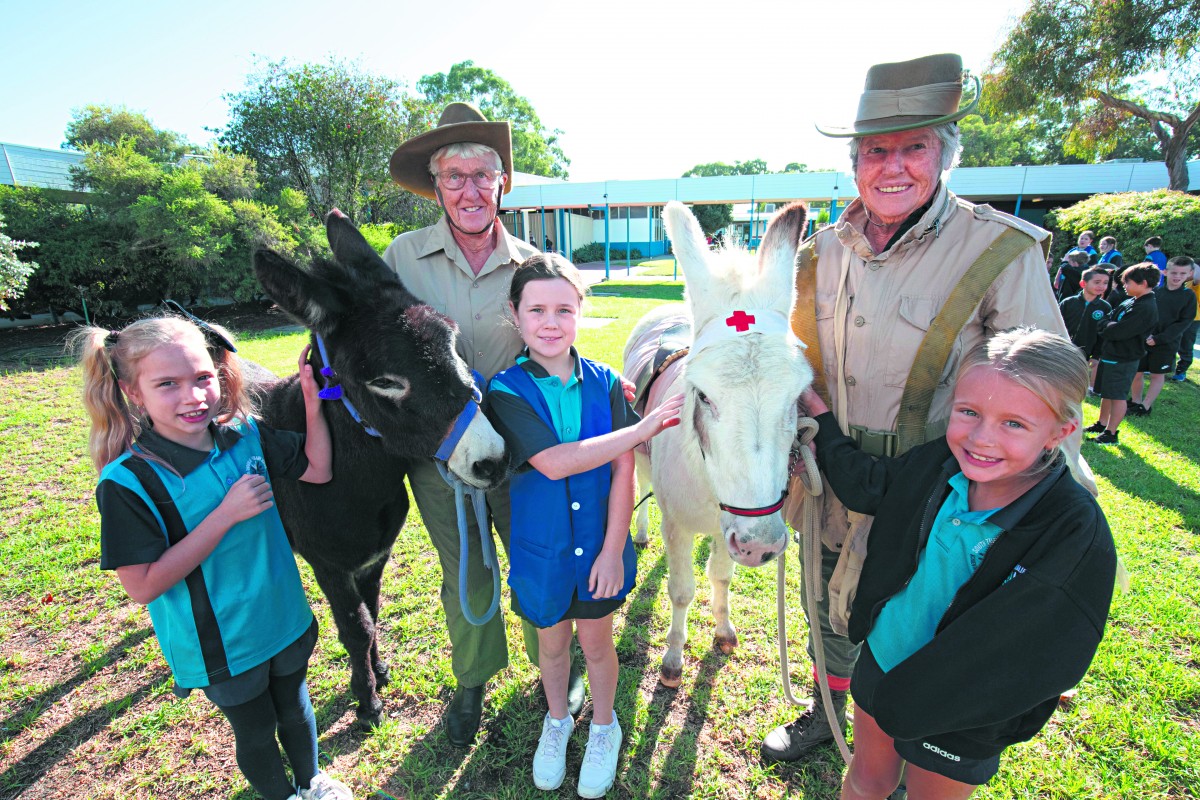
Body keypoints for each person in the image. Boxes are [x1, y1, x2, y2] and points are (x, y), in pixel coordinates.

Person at [761, 53, 1094, 763]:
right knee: (829, 608)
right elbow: (761, 335)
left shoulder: (1000, 249)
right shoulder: (817, 256)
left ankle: (911, 737)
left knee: (925, 619)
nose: (893, 167)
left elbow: (1048, 389)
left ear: (944, 154)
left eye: (914, 147)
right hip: (829, 476)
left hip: (944, 494)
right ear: (854, 164)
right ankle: (828, 707)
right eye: (876, 150)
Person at [798, 327, 1115, 798]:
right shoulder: (939, 462)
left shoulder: (1073, 531)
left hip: (963, 709)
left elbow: (1053, 654)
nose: (981, 439)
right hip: (883, 661)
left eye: (1014, 424)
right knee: (867, 781)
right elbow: (871, 485)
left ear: (1061, 432)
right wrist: (821, 420)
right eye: (968, 412)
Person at [76, 315, 352, 800]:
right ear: (133, 392)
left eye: (203, 378)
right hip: (221, 643)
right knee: (257, 729)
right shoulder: (128, 482)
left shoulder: (244, 433)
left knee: (295, 705)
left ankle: (312, 783)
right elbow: (141, 586)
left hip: (283, 615)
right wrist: (224, 516)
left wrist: (311, 403)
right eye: (168, 384)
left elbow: (318, 469)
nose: (194, 397)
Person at [382, 103, 582, 746]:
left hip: (522, 451)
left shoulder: (531, 263)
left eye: (482, 175)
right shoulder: (401, 258)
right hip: (440, 453)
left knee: (533, 560)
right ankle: (472, 679)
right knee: (465, 569)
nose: (469, 189)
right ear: (436, 187)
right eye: (454, 176)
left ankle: (552, 666)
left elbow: (556, 341)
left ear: (501, 184)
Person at [486, 254, 683, 797]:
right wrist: (641, 428)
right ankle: (556, 721)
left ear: (580, 312)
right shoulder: (503, 391)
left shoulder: (605, 383)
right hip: (542, 552)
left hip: (600, 546)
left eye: (564, 309)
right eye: (537, 310)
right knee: (552, 648)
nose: (551, 323)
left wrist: (611, 549)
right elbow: (553, 462)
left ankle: (603, 726)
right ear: (515, 314)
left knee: (598, 646)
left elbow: (624, 471)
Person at [1084, 263, 1160, 445]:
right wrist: (1107, 325)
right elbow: (1107, 320)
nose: (1124, 286)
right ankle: (1101, 424)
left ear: (1142, 283)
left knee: (1117, 395)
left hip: (1124, 358)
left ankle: (1111, 433)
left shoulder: (1146, 307)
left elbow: (1118, 331)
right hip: (1111, 354)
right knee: (1106, 393)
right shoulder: (1131, 301)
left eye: (1128, 282)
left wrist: (1107, 327)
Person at [1129, 257, 1197, 414]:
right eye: (1174, 272)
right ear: (1165, 272)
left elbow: (1183, 323)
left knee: (1157, 375)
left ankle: (1145, 406)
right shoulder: (1154, 292)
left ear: (1190, 274)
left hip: (1166, 343)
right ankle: (1135, 401)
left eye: (1182, 273)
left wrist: (1160, 338)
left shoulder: (1188, 296)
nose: (1177, 276)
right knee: (1136, 371)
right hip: (1145, 340)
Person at [1060, 267, 1111, 389]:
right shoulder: (1068, 303)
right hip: (1062, 348)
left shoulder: (1105, 308)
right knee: (1059, 379)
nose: (1101, 286)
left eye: (1105, 283)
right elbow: (1056, 324)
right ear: (1083, 283)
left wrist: (1096, 356)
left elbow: (1102, 334)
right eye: (1097, 282)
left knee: (1074, 383)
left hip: (1084, 352)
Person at [1171, 256, 1199, 382]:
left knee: (1186, 345)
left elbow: (1197, 276)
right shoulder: (1184, 283)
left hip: (1193, 319)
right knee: (1170, 341)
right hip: (1176, 316)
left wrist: (1193, 264)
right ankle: (1166, 367)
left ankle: (1181, 371)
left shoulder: (1196, 282)